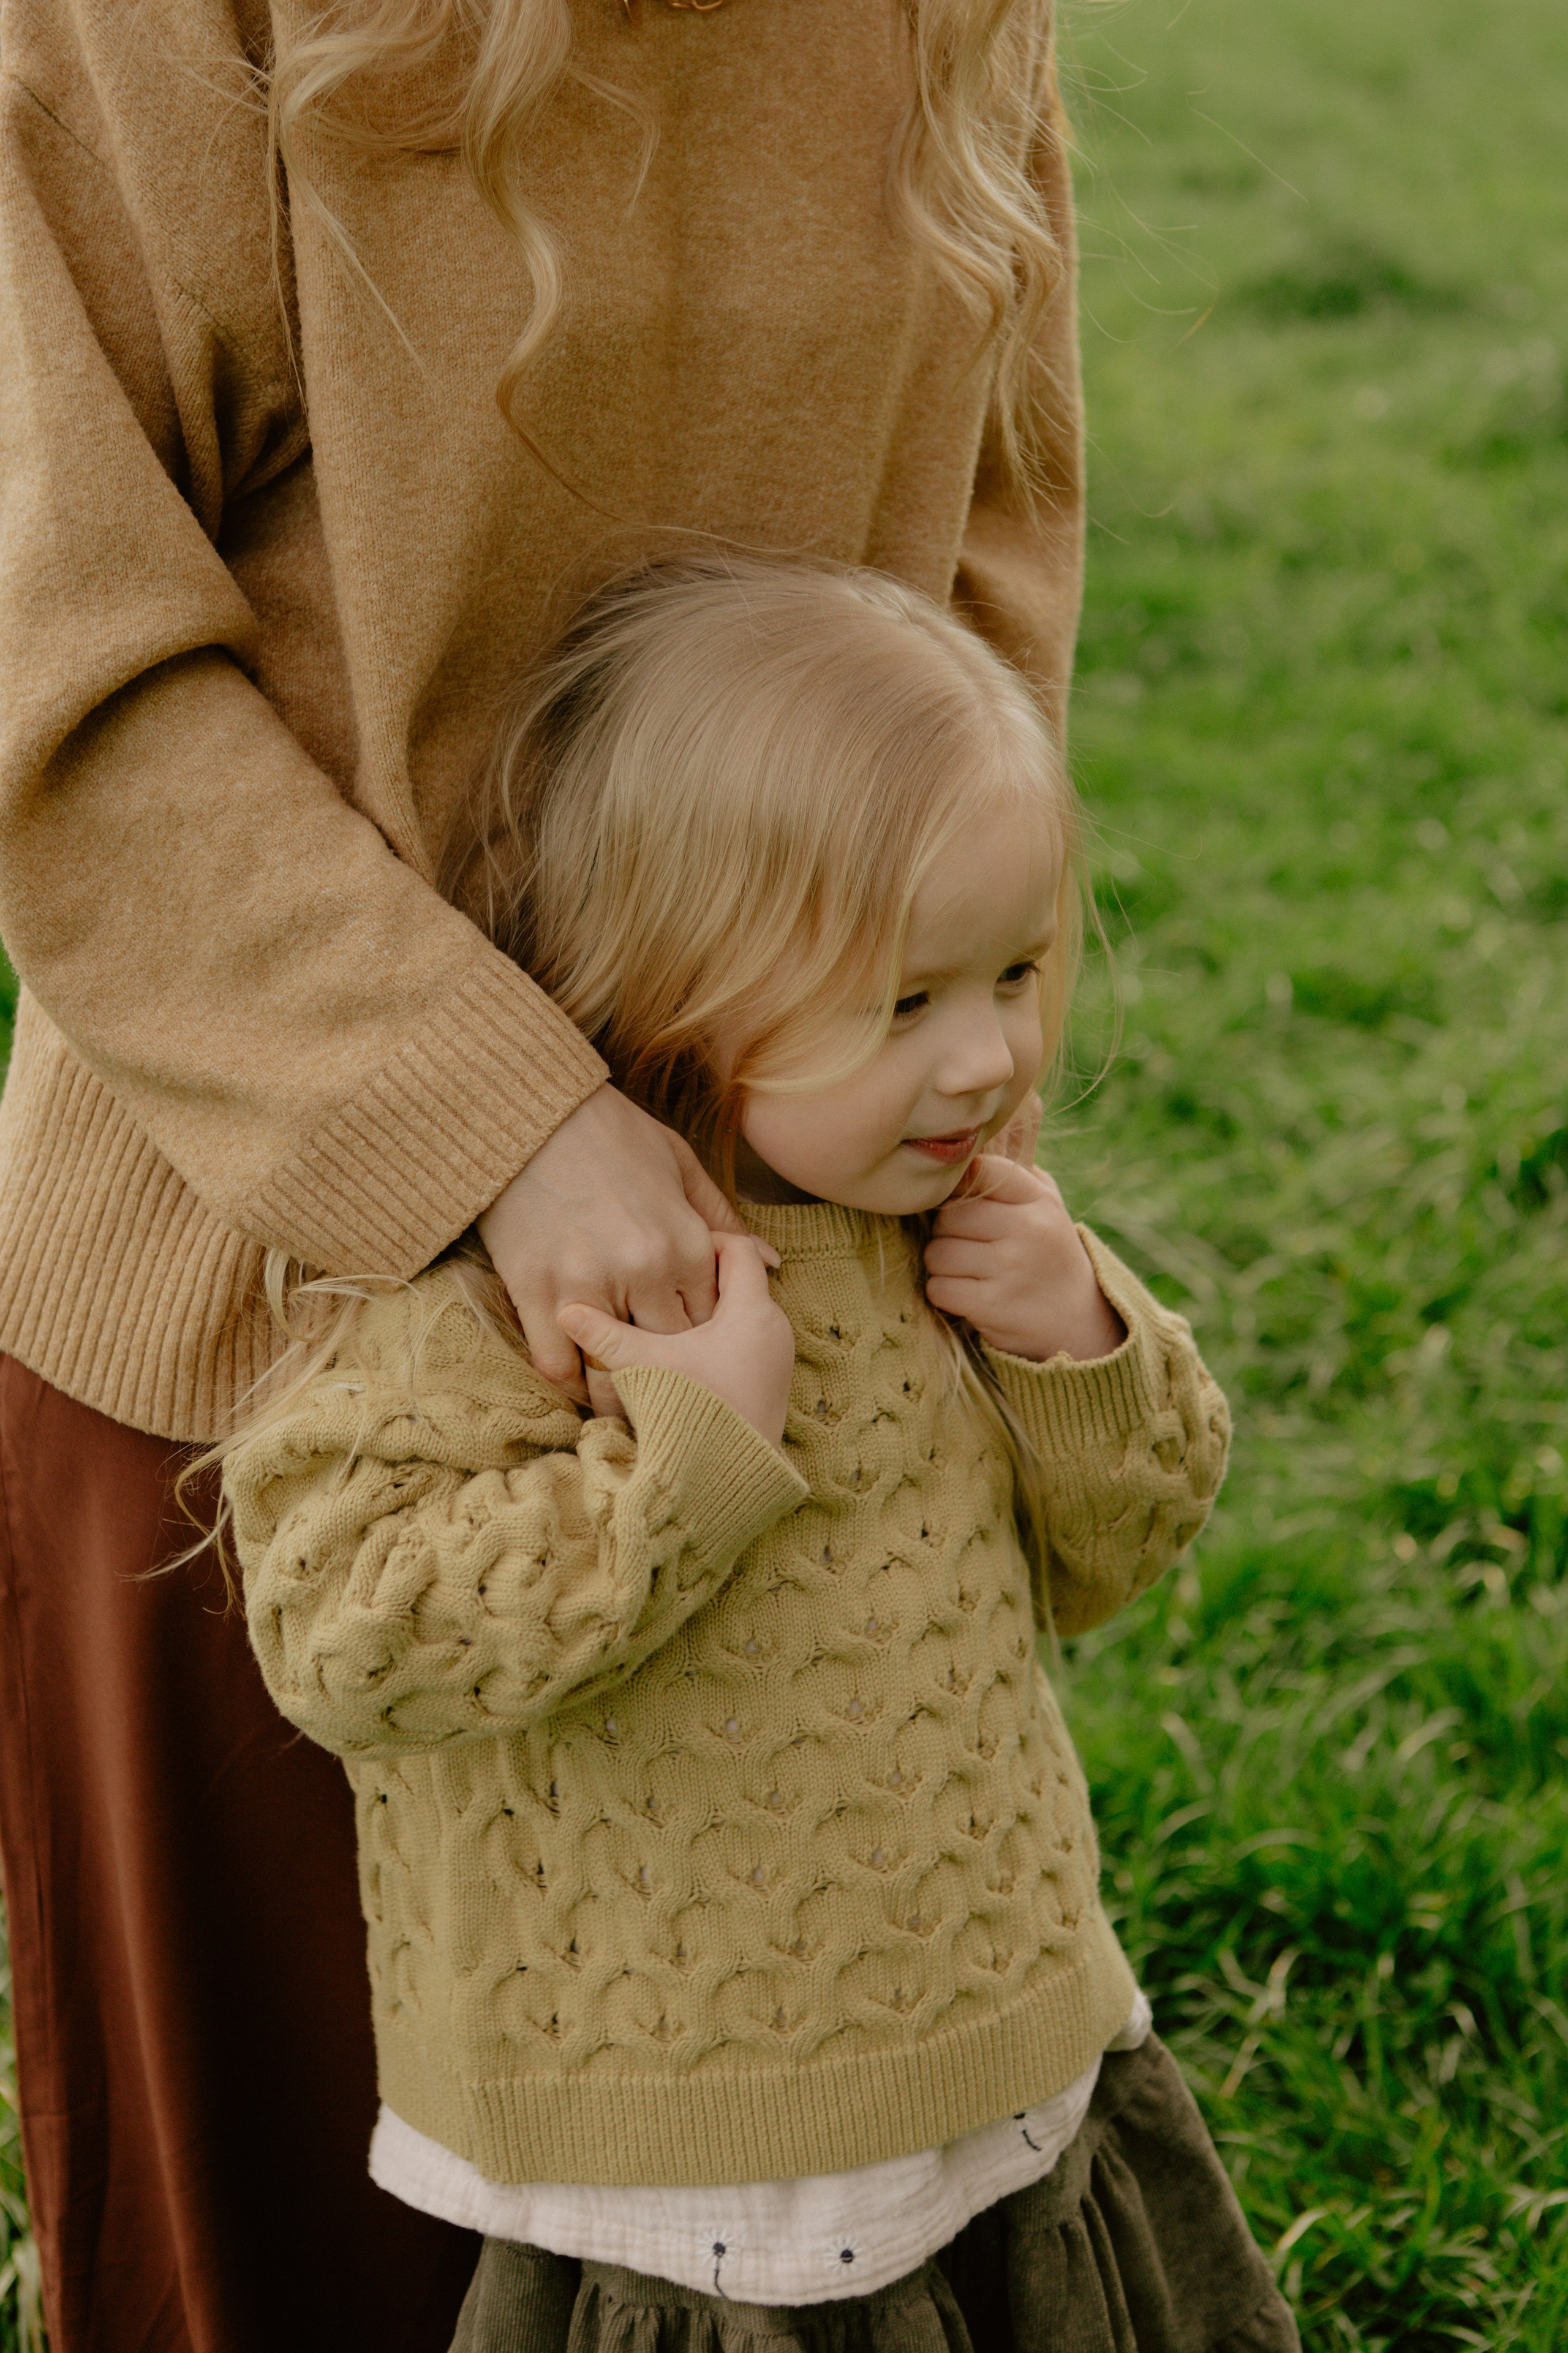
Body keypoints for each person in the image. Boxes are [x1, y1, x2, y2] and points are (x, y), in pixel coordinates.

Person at [0, 0, 1087, 2343]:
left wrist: (905, 1073)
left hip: (803, 1299)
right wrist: (489, 1117)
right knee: (313, 2266)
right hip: (263, 1320)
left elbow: (994, 546)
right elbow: (48, 629)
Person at [220, 559, 1300, 2353]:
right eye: (903, 1005)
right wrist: (686, 1457)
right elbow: (350, 1638)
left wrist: (1082, 1345)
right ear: (668, 986)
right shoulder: (525, 1294)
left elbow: (1111, 1560)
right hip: (693, 2131)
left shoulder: (953, 1233)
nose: (987, 1057)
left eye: (1018, 971)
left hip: (1000, 2026)